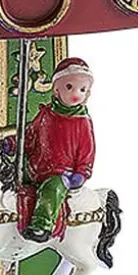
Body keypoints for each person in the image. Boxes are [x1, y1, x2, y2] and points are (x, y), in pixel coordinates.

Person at [22, 56, 95, 242]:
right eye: (69, 87)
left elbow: (87, 150)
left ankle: (42, 225)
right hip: (35, 167)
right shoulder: (45, 115)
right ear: (56, 89)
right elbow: (30, 136)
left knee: (52, 189)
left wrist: (82, 172)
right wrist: (13, 144)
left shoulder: (82, 122)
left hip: (62, 173)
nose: (76, 93)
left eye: (82, 89)